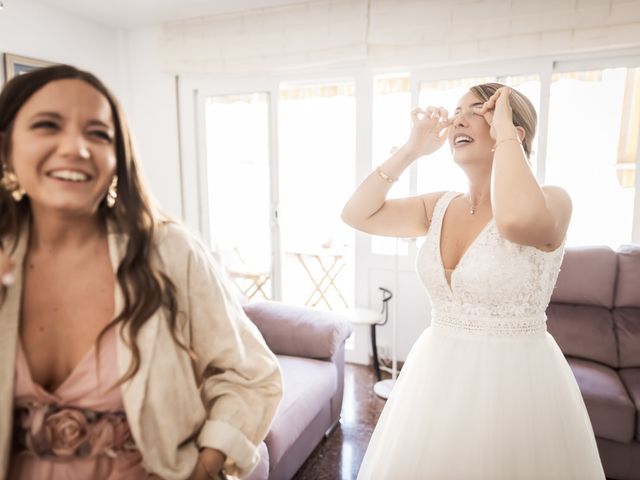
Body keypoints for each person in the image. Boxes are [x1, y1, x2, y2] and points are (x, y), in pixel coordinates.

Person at [0, 65, 282, 480]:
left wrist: (207, 464)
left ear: (118, 159)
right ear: (6, 147)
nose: (76, 148)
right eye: (47, 125)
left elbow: (252, 374)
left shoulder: (169, 252)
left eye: (98, 133)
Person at [342, 84, 605, 479]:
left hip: (516, 387)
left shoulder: (553, 200)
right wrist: (411, 150)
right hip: (434, 377)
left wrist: (505, 137)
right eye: (456, 111)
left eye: (478, 110)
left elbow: (515, 221)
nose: (458, 119)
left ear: (513, 131)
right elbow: (357, 214)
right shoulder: (439, 206)